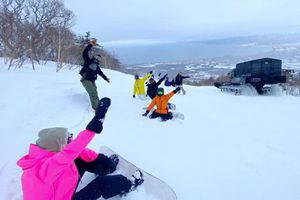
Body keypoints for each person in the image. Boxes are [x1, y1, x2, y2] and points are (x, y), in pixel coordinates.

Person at [17, 98, 144, 200]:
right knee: (100, 184)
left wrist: (102, 159)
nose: (70, 140)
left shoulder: (45, 154)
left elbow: (76, 151)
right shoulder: (41, 171)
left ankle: (105, 169)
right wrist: (93, 128)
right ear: (57, 146)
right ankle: (128, 185)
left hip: (58, 192)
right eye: (67, 139)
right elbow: (70, 152)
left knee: (79, 160)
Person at [80, 38, 110, 110]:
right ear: (94, 57)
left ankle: (97, 104)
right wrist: (90, 45)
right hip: (86, 79)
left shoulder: (97, 67)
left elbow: (101, 73)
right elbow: (85, 53)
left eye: (99, 59)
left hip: (92, 81)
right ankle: (96, 107)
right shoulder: (88, 61)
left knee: (95, 92)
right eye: (96, 57)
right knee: (92, 93)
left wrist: (106, 79)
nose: (97, 59)